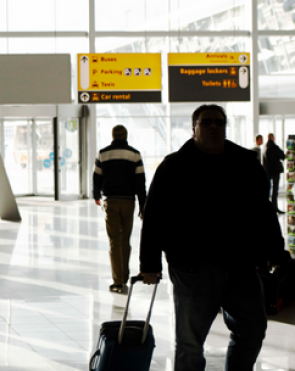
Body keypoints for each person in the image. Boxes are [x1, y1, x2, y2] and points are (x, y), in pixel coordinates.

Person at [140, 104, 290, 371]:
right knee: (189, 344)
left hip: (240, 266)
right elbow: (154, 217)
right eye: (206, 122)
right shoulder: (174, 167)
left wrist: (274, 252)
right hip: (192, 269)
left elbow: (263, 211)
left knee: (253, 329)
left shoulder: (245, 163)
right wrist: (149, 265)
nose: (213, 127)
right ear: (194, 128)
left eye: (219, 123)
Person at [92, 125, 147, 293]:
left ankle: (117, 281)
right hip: (128, 201)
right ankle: (124, 276)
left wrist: (96, 195)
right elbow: (140, 181)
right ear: (126, 135)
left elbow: (96, 177)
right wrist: (142, 204)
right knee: (125, 240)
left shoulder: (103, 153)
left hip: (110, 200)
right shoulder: (134, 154)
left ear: (113, 136)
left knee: (114, 241)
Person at [264, 133, 286, 213]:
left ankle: (268, 208)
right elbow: (282, 156)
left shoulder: (265, 147)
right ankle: (274, 207)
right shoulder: (274, 147)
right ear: (273, 138)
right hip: (275, 171)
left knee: (268, 189)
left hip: (268, 171)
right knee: (275, 189)